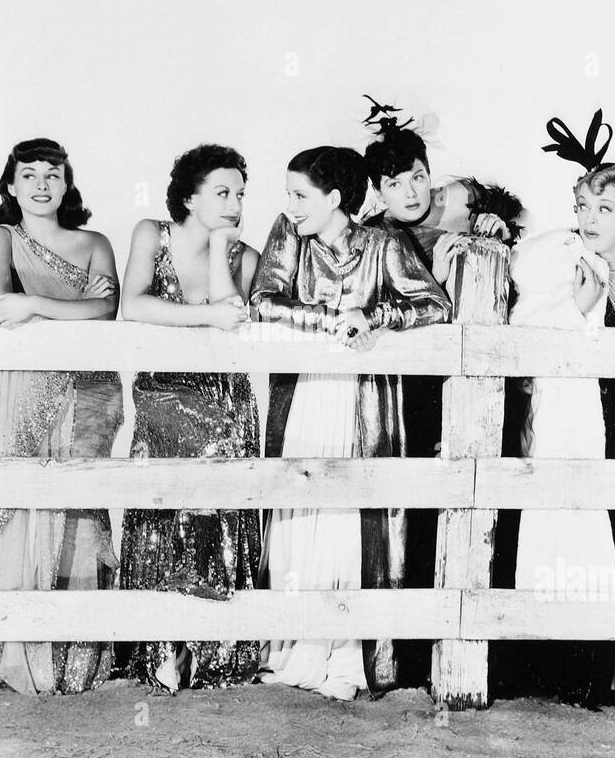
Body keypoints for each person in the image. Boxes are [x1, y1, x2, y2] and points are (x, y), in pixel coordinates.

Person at [254, 145, 452, 700]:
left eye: (300, 195)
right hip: (305, 398)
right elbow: (263, 300)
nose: (290, 205)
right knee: (300, 511)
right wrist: (329, 321)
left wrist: (378, 316)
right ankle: (297, 644)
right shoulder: (288, 234)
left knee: (351, 521)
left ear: (335, 197)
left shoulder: (382, 244)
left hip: (364, 401)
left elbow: (436, 305)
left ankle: (349, 653)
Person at [357, 101, 524, 686]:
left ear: (432, 173)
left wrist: (491, 231)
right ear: (379, 189)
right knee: (418, 509)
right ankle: (409, 658)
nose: (410, 191)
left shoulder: (462, 208)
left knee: (482, 497)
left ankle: (490, 655)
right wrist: (432, 265)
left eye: (418, 177)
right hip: (410, 390)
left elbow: (506, 215)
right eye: (395, 183)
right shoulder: (375, 235)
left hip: (479, 381)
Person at [505, 124, 615, 707]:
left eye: (606, 207)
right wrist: (575, 308)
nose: (590, 218)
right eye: (583, 206)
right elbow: (520, 329)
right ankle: (561, 663)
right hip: (574, 414)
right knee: (572, 529)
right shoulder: (553, 255)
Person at [0, 138, 123, 695]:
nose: (41, 184)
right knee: (24, 507)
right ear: (10, 185)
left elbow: (105, 310)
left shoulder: (94, 242)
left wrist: (34, 304)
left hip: (89, 389)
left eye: (53, 174)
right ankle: (27, 658)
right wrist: (71, 307)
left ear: (67, 184)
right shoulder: (0, 238)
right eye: (29, 174)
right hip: (24, 388)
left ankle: (80, 660)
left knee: (79, 506)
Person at [117, 143, 263, 692]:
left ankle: (215, 650)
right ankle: (162, 647)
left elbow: (236, 321)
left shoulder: (246, 256)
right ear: (189, 196)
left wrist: (224, 247)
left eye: (240, 194)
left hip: (226, 402)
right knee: (161, 517)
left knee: (216, 514)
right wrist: (204, 317)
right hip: (162, 395)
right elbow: (134, 303)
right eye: (222, 193)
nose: (235, 203)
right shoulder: (151, 233)